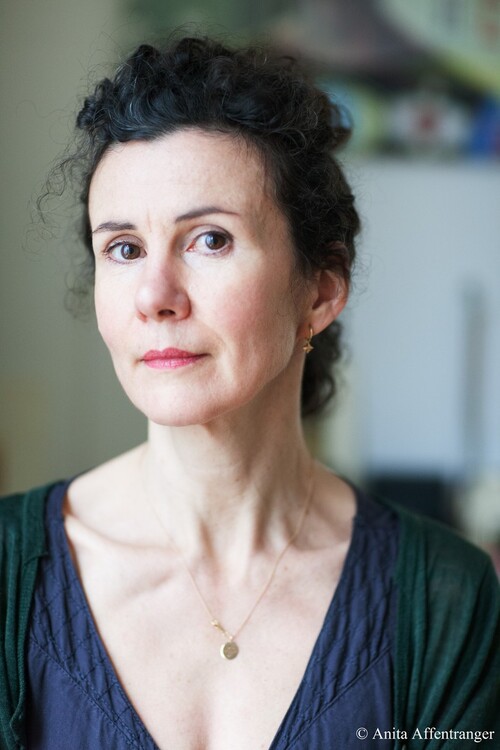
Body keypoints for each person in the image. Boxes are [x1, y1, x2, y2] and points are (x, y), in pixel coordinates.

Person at [0, 36, 498, 750]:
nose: (154, 296)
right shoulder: (8, 574)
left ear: (320, 290)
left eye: (209, 240)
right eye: (124, 248)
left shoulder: (448, 599)